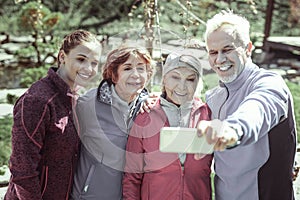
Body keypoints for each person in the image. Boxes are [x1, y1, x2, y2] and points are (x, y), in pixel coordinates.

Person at [196, 10, 297, 200]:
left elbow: (257, 109)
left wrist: (231, 129)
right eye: (213, 52)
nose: (219, 59)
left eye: (227, 49)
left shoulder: (270, 84)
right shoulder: (212, 98)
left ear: (248, 48)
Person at [4, 29, 102, 200]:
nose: (89, 68)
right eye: (81, 59)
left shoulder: (77, 97)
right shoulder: (37, 100)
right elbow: (22, 169)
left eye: (94, 63)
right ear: (62, 57)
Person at [123, 52, 213, 200]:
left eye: (190, 79)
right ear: (164, 78)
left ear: (198, 82)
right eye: (175, 77)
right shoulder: (146, 115)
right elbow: (132, 175)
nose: (182, 87)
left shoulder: (208, 115)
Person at [70, 46, 155, 200]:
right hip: (90, 195)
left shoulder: (151, 108)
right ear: (114, 75)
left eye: (141, 69)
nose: (136, 75)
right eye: (127, 68)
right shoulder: (88, 104)